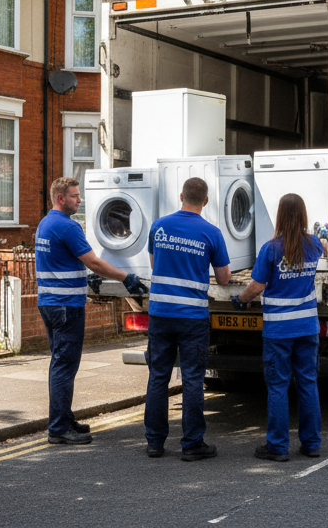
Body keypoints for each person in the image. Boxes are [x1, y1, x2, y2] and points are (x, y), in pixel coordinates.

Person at [36, 176, 147, 445]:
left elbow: (60, 263)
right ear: (61, 198)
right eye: (75, 196)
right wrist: (126, 278)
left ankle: (64, 418)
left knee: (59, 364)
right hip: (67, 307)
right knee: (64, 367)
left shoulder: (45, 223)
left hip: (49, 303)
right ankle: (59, 428)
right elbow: (94, 262)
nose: (80, 199)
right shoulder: (68, 227)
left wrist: (83, 277)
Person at [144, 177, 231, 461]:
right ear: (205, 201)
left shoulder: (159, 226)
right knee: (193, 379)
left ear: (181, 196)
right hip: (192, 317)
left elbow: (156, 265)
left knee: (158, 376)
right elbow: (223, 278)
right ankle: (192, 444)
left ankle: (155, 442)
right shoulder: (212, 233)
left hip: (159, 313)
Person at [232, 193, 322, 462]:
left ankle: (278, 446)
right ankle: (312, 444)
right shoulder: (315, 245)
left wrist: (240, 299)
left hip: (279, 332)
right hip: (308, 328)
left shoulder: (270, 249)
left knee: (279, 387)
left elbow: (257, 286)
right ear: (304, 215)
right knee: (308, 383)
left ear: (280, 215)